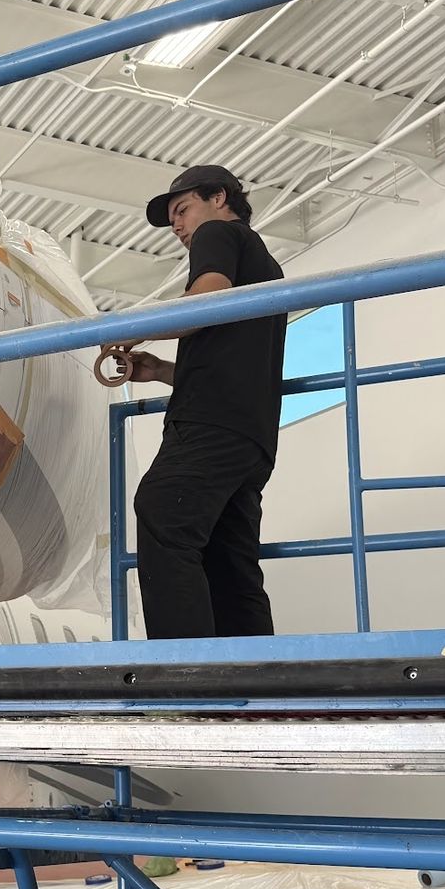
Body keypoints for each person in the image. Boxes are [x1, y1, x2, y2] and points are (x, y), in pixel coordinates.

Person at [111, 164, 285, 640]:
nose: (178, 225)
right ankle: (256, 673)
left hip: (209, 425)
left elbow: (209, 300)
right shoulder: (267, 267)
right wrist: (162, 371)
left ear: (219, 198)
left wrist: (131, 327)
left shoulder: (218, 234)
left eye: (182, 209)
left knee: (161, 511)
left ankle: (182, 670)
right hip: (250, 435)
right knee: (229, 561)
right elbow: (237, 361)